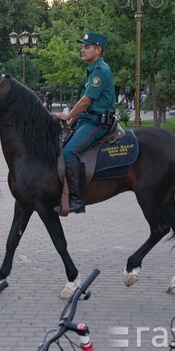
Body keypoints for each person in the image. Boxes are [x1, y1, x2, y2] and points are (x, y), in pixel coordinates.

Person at [55, 32, 115, 215]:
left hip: (98, 122)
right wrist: (69, 123)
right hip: (87, 119)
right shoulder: (92, 70)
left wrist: (67, 116)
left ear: (98, 50)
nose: (82, 50)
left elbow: (85, 101)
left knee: (69, 151)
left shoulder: (101, 71)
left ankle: (77, 199)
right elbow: (83, 103)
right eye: (82, 46)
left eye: (86, 47)